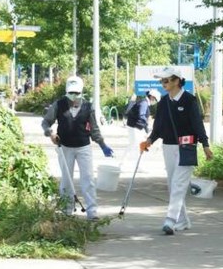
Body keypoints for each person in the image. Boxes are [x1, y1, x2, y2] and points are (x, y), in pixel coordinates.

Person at [141, 67, 213, 235]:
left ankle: (170, 220)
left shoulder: (189, 100)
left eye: (166, 80)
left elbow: (197, 124)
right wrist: (149, 140)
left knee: (178, 184)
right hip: (169, 146)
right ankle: (183, 220)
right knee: (172, 185)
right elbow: (158, 126)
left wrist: (205, 144)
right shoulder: (164, 102)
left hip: (187, 147)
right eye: (161, 81)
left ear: (176, 81)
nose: (163, 84)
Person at [40, 76, 114, 220]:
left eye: (76, 93)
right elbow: (45, 122)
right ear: (67, 91)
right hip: (64, 147)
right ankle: (66, 211)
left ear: (81, 92)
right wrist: (50, 133)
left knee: (88, 179)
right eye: (71, 92)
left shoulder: (88, 106)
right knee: (66, 180)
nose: (74, 96)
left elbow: (94, 129)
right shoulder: (59, 105)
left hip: (83, 147)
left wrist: (103, 145)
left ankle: (92, 212)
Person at [122, 89, 160, 170]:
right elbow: (141, 115)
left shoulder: (143, 102)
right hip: (135, 127)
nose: (155, 102)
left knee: (134, 145)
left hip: (135, 127)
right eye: (156, 100)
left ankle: (126, 165)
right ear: (152, 97)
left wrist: (145, 127)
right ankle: (131, 165)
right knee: (136, 146)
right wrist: (146, 126)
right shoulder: (144, 103)